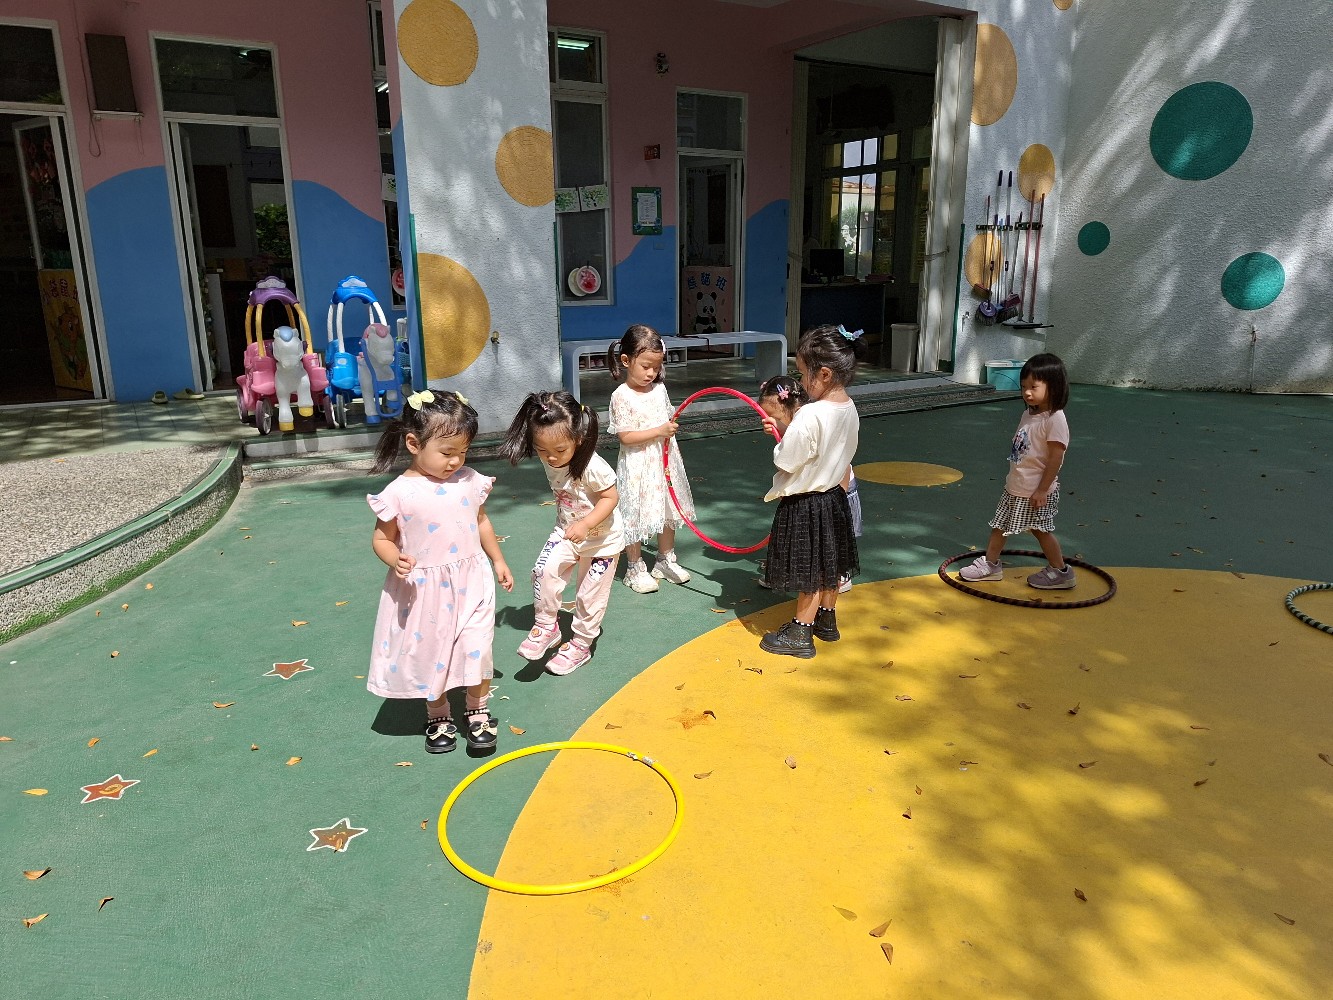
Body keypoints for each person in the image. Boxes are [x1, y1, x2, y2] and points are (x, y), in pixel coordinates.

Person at [365, 389, 514, 755]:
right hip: (425, 590)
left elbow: (481, 521)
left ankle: (478, 710)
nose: (455, 461)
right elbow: (382, 539)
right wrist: (394, 558)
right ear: (413, 444)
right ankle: (439, 714)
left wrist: (497, 559)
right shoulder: (399, 492)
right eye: (447, 452)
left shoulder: (469, 480)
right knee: (433, 653)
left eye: (463, 451)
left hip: (472, 581)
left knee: (477, 647)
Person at [757, 325, 863, 658]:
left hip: (807, 504)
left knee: (811, 570)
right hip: (834, 498)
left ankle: (800, 632)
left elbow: (788, 460)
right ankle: (826, 619)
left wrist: (780, 439)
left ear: (825, 374)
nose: (802, 383)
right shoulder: (849, 408)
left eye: (804, 374)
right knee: (831, 564)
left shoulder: (810, 414)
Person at [500, 391, 624, 674]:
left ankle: (581, 644)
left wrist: (586, 524)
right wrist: (576, 526)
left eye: (559, 450)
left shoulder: (592, 466)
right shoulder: (551, 454)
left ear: (578, 439)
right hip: (566, 531)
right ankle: (547, 626)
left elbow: (611, 498)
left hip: (601, 541)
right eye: (542, 450)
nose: (551, 457)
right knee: (543, 570)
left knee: (589, 595)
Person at [958, 352, 1076, 589]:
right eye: (1023, 387)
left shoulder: (1055, 419)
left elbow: (1056, 458)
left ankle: (1060, 571)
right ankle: (991, 565)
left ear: (1053, 387)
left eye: (1034, 387)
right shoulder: (1028, 414)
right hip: (1015, 485)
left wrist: (1042, 490)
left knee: (1040, 531)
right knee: (999, 526)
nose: (1027, 392)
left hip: (1036, 491)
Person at [606, 324, 695, 594]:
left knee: (668, 508)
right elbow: (626, 437)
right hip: (637, 465)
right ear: (626, 360)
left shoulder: (659, 390)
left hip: (663, 461)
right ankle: (634, 567)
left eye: (656, 367)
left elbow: (666, 419)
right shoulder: (621, 396)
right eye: (646, 366)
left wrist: (668, 430)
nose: (651, 373)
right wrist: (659, 431)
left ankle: (665, 560)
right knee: (635, 513)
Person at [756, 373, 861, 595]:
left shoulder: (808, 420)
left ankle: (810, 608)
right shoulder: (833, 411)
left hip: (824, 494)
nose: (768, 420)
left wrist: (781, 443)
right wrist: (781, 429)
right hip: (830, 493)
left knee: (818, 556)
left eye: (773, 416)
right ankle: (824, 600)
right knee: (820, 551)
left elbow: (788, 461)